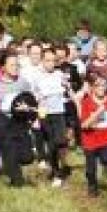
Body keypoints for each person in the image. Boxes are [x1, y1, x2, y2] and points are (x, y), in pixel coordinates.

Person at [0, 52, 34, 187]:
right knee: (9, 152)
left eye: (17, 65)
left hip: (21, 121)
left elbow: (31, 99)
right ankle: (16, 181)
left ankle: (12, 166)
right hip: (4, 121)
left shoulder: (23, 82)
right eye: (12, 65)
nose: (15, 67)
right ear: (3, 67)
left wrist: (28, 108)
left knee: (27, 156)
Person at [33, 48, 70, 187]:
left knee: (60, 141)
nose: (50, 64)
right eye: (47, 60)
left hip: (59, 112)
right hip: (44, 113)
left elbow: (68, 91)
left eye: (53, 61)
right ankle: (56, 173)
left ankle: (58, 166)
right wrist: (36, 117)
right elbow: (34, 98)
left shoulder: (60, 74)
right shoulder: (37, 77)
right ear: (42, 61)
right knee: (52, 143)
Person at [80, 73, 107, 197]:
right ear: (92, 87)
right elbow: (84, 125)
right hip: (90, 140)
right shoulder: (86, 102)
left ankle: (104, 169)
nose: (101, 88)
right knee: (91, 169)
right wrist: (97, 114)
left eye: (104, 85)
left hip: (106, 139)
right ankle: (92, 186)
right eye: (98, 85)